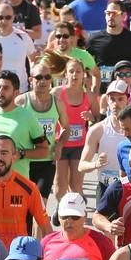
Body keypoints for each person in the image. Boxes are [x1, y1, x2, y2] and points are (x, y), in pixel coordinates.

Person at [0, 135, 52, 248]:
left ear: (14, 156)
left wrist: (46, 259)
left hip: (21, 255)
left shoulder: (29, 188)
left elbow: (46, 228)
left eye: (4, 153)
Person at [0, 70, 49, 179]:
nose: (0, 92)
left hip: (17, 183)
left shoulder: (27, 117)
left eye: (6, 88)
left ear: (16, 93)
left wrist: (22, 154)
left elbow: (44, 150)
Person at [53, 58, 100, 211]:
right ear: (65, 74)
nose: (74, 75)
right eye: (71, 71)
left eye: (78, 71)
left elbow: (97, 120)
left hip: (80, 145)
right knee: (60, 188)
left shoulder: (91, 97)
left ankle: (77, 213)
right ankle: (62, 210)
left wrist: (91, 118)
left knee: (76, 185)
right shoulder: (57, 93)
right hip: (60, 144)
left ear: (84, 75)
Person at [14, 61, 60, 202]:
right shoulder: (21, 101)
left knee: (40, 205)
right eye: (39, 77)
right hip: (23, 160)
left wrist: (60, 144)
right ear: (30, 80)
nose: (43, 81)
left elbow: (67, 128)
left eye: (47, 77)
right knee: (22, 204)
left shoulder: (57, 102)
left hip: (46, 161)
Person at [78, 80, 129, 204]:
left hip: (129, 189)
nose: (115, 104)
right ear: (107, 100)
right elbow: (81, 166)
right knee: (102, 223)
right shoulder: (97, 130)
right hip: (105, 188)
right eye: (112, 99)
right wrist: (96, 164)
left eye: (120, 99)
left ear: (128, 99)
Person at [86, 0, 131, 92]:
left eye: (115, 13)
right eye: (108, 13)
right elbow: (86, 65)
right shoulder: (94, 39)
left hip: (129, 91)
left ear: (123, 16)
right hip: (103, 90)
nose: (111, 16)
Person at [0, 3, 37, 94]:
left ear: (13, 18)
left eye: (8, 17)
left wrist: (34, 77)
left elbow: (34, 59)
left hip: (20, 91)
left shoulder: (23, 37)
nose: (4, 21)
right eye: (0, 18)